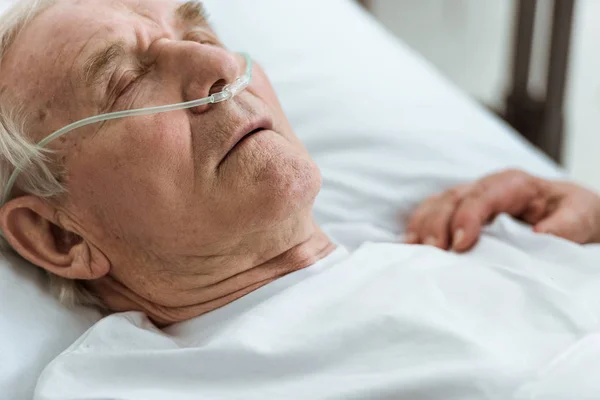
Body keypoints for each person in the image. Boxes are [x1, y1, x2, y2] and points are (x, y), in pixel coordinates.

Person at [1, 0, 600, 399]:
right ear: (60, 236)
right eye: (125, 82)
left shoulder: (480, 231)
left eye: (201, 33)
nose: (218, 64)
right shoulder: (129, 385)